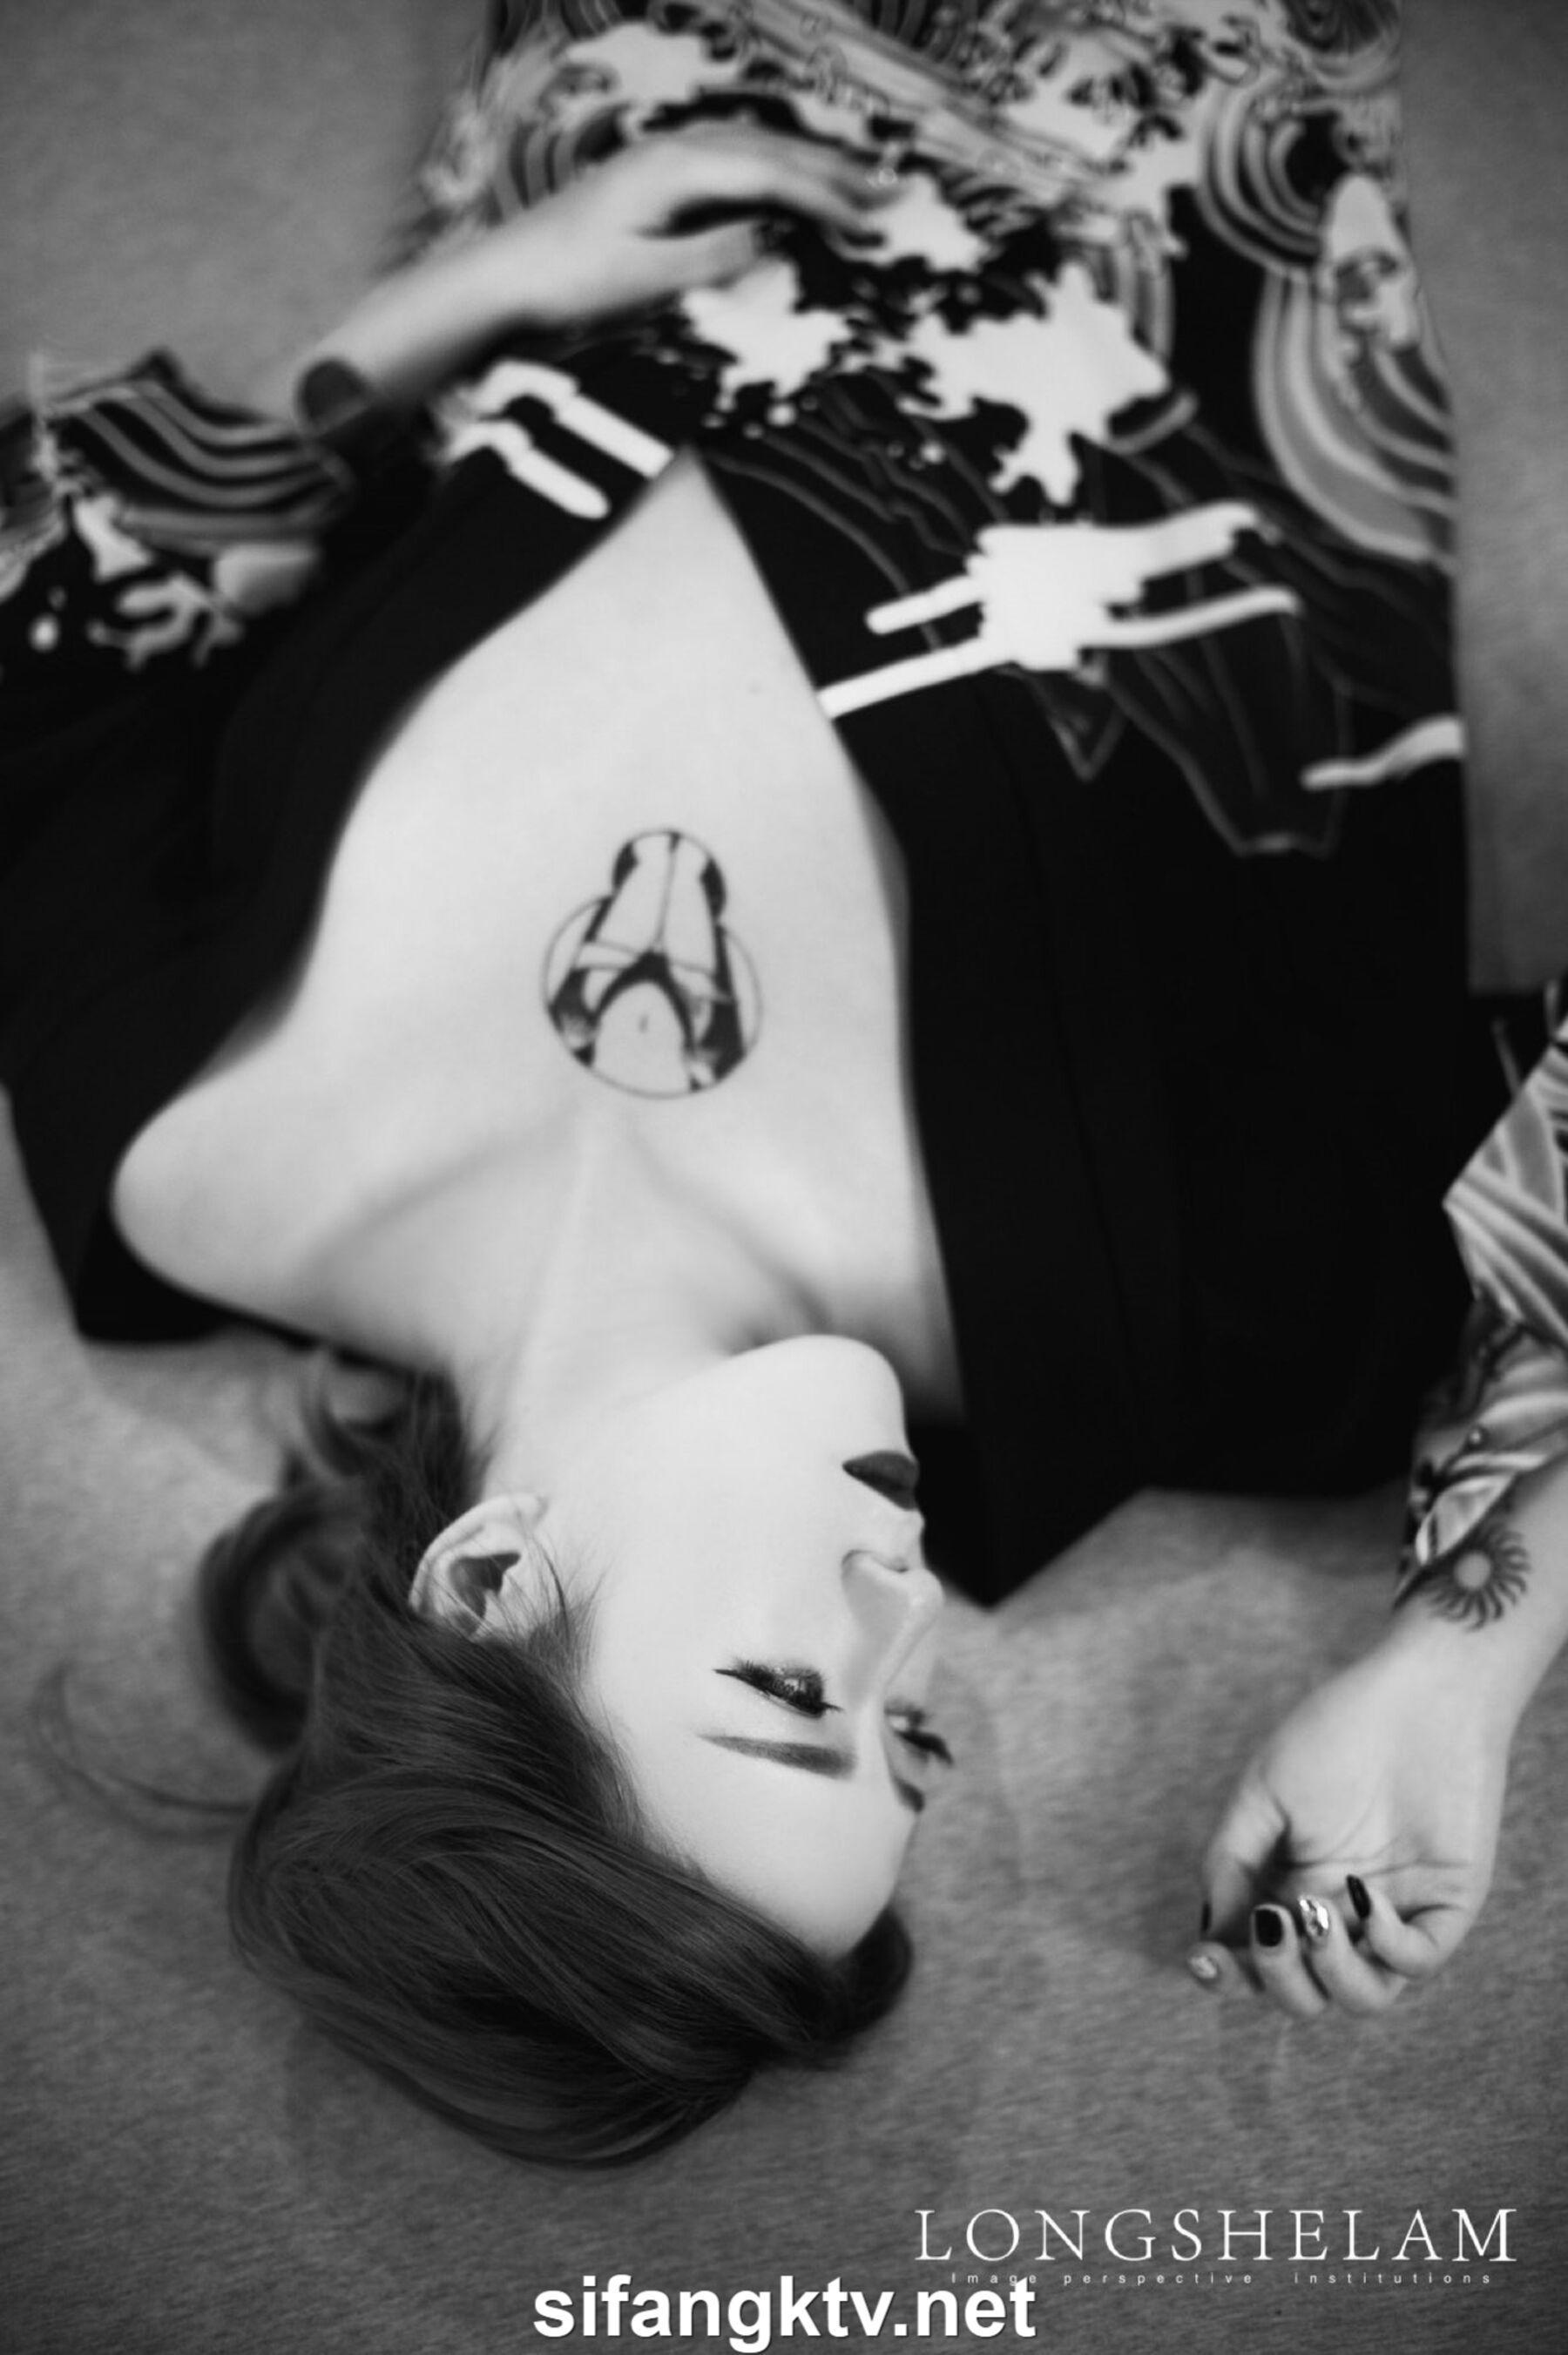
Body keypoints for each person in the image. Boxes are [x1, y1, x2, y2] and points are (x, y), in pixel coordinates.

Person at [5, 0, 1566, 2164]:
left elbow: (60, 609)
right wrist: (1470, 1656)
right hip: (1159, 111)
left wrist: (463, 304)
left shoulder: (178, 1162)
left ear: (494, 1582)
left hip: (652, 76)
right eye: (911, 1734)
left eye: (785, 1692)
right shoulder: (1196, 1335)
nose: (907, 1612)